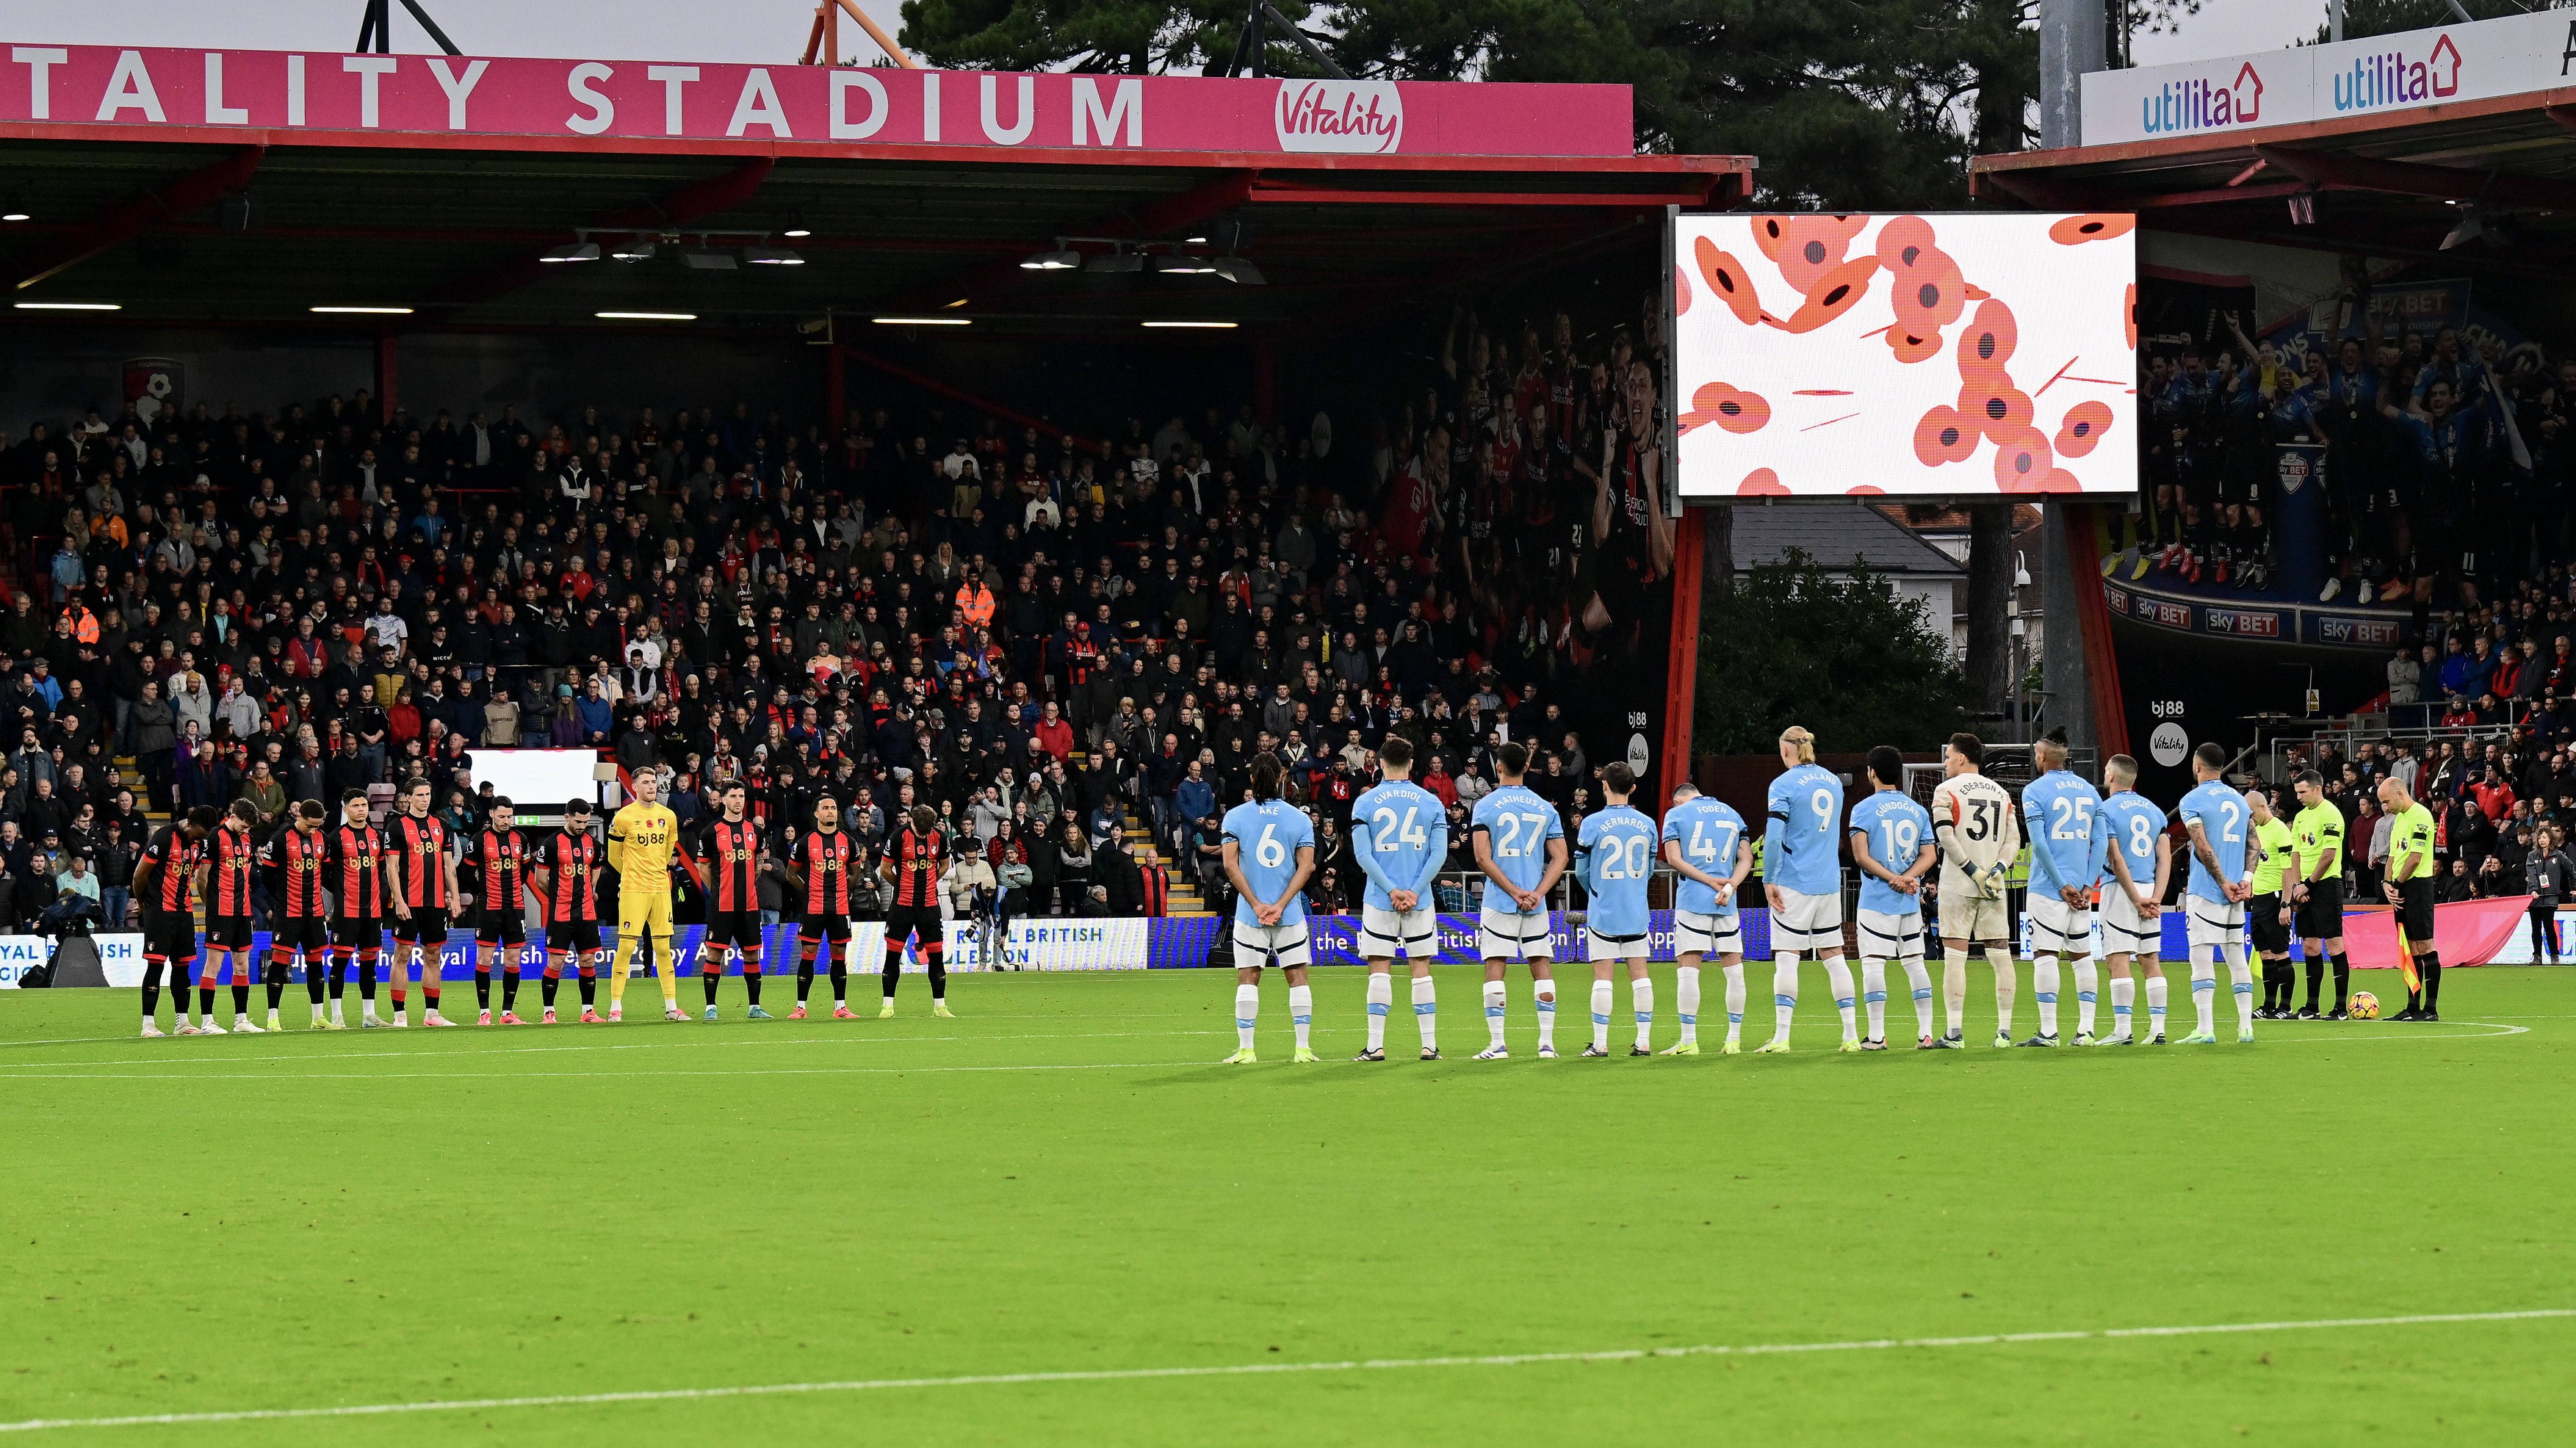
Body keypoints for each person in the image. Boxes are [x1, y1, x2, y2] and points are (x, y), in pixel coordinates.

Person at [1348, 734, 1446, 1062]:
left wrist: (1391, 890)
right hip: (1420, 899)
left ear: (1380, 764)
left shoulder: (1365, 802)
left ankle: (1375, 1045)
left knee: (1379, 967)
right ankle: (1429, 1045)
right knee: (1421, 969)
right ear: (1412, 765)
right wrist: (1414, 891)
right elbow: (1439, 854)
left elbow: (1363, 855)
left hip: (1380, 898)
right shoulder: (1431, 802)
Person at [1468, 740, 1566, 1060]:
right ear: (1526, 766)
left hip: (1500, 900)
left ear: (1498, 767)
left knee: (1496, 966)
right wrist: (1537, 893)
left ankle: (1497, 1045)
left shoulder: (1485, 806)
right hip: (1535, 902)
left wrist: (1512, 891)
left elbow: (1482, 858)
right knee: (1541, 965)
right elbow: (1560, 858)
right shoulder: (1545, 807)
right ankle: (1547, 1044)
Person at [1220, 753, 1318, 1065]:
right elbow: (1306, 868)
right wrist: (1279, 905)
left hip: (1251, 915)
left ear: (1252, 778)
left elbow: (1229, 865)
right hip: (1288, 915)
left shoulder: (1234, 817)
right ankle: (1302, 1049)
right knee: (1298, 978)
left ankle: (1246, 1050)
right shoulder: (1300, 819)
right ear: (1281, 777)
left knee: (1248, 978)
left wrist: (1257, 904)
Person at [1758, 725, 1850, 1053]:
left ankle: (1782, 1037)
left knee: (1787, 956)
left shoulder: (1782, 784)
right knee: (1834, 956)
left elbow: (1774, 836)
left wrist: (1769, 878)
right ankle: (1851, 1035)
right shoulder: (1833, 782)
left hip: (1794, 881)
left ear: (1786, 750)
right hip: (1828, 882)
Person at [1930, 731, 2021, 1049]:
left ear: (1961, 758)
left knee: (1955, 957)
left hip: (1959, 884)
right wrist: (1997, 871)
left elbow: (1945, 835)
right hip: (1994, 887)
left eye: (1947, 757)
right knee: (2001, 956)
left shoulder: (1945, 790)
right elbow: (2014, 840)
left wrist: (1972, 870)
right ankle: (2005, 1032)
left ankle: (1954, 1033)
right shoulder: (2002, 793)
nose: (1944, 764)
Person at [2019, 731, 2107, 1046]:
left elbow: (2039, 844)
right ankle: (2086, 1030)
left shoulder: (2033, 791)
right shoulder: (2090, 792)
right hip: (2082, 891)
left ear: (2042, 756)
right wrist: (2087, 885)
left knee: (2045, 954)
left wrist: (2061, 885)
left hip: (2049, 889)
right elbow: (2099, 843)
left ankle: (2048, 1032)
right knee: (2082, 956)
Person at [1849, 746, 1937, 1049]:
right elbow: (1930, 854)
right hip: (1909, 902)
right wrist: (1910, 878)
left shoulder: (1862, 809)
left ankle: (1876, 1036)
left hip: (1877, 900)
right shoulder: (1917, 810)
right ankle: (1926, 1034)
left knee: (1873, 964)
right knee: (1915, 964)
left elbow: (1861, 856)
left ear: (1871, 772)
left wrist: (1893, 879)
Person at [1659, 778, 1750, 1055]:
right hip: (1727, 902)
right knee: (1734, 971)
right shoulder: (1732, 813)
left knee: (1689, 969)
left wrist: (1710, 882)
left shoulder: (1675, 814)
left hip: (1693, 900)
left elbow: (1674, 860)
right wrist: (1730, 885)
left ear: (1678, 800)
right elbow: (1746, 858)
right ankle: (1734, 1040)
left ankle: (1689, 1041)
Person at [1574, 762, 1659, 1057]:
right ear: (1633, 788)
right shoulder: (1647, 824)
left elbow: (1581, 871)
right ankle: (1644, 1041)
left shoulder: (1592, 823)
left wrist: (1597, 893)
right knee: (1640, 974)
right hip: (1636, 908)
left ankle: (1600, 1043)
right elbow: (1649, 869)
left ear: (1604, 786)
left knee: (1603, 975)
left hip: (1604, 908)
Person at [2175, 743, 2255, 1045]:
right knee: (2237, 958)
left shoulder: (2192, 800)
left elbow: (2203, 846)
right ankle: (2245, 1028)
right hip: (2237, 892)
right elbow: (2253, 844)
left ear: (2197, 766)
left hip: (2208, 891)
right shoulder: (2240, 800)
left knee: (2201, 956)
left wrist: (2222, 881)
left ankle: (2205, 1028)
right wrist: (2245, 880)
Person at [2094, 756, 2171, 1045]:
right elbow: (2165, 858)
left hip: (2121, 891)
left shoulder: (2105, 810)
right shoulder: (2154, 811)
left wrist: (2137, 899)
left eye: (2105, 771)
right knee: (2150, 959)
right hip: (2151, 889)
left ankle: (2123, 1030)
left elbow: (2115, 859)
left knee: (2117, 958)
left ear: (2112, 776)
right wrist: (2156, 898)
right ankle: (2158, 1029)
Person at [605, 769, 684, 1023]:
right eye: (646, 782)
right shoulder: (623, 816)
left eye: (654, 782)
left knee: (663, 947)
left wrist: (654, 873)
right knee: (627, 946)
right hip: (634, 889)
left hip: (660, 889)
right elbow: (613, 857)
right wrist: (633, 874)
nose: (652, 786)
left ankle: (672, 1007)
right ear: (636, 787)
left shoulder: (668, 816)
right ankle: (615, 1006)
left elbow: (667, 852)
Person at [383, 777, 462, 1028]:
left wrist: (456, 897)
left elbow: (449, 866)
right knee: (402, 954)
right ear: (408, 798)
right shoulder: (397, 827)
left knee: (433, 955)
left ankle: (432, 1014)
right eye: (419, 795)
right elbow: (392, 868)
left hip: (436, 903)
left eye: (427, 794)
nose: (425, 799)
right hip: (409, 901)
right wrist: (399, 900)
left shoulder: (442, 825)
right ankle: (400, 1015)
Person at [133, 806, 216, 1038]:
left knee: (183, 967)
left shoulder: (199, 843)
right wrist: (143, 904)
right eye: (199, 834)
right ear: (189, 823)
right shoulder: (164, 836)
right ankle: (148, 1024)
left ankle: (183, 1022)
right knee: (156, 965)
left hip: (184, 910)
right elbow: (140, 874)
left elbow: (199, 875)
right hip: (159, 909)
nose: (200, 839)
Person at [690, 783, 771, 1021]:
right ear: (723, 799)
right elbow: (703, 867)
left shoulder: (755, 831)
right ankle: (710, 1007)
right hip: (722, 905)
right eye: (733, 796)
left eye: (741, 796)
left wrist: (747, 884)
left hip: (749, 905)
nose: (738, 800)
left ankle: (754, 1007)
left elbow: (757, 865)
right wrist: (717, 891)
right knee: (714, 955)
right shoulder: (711, 831)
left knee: (752, 955)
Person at [782, 794, 862, 1019]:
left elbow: (855, 870)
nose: (830, 811)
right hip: (814, 907)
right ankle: (801, 1007)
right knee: (809, 953)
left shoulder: (848, 842)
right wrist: (809, 892)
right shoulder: (805, 842)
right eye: (825, 808)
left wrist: (844, 890)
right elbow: (791, 874)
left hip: (840, 908)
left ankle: (841, 1008)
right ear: (817, 813)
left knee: (839, 954)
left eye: (834, 808)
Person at [260, 799, 334, 1030]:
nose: (313, 830)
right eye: (309, 825)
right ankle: (273, 1018)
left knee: (316, 963)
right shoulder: (281, 838)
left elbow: (328, 871)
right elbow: (267, 876)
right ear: (299, 816)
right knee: (280, 963)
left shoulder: (322, 839)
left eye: (317, 826)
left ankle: (318, 1017)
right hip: (289, 912)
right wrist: (282, 899)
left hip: (315, 913)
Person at [532, 798, 606, 1024]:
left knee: (588, 960)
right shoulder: (552, 843)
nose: (582, 825)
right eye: (578, 820)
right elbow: (540, 880)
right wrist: (557, 897)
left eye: (586, 821)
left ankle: (588, 1012)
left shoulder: (594, 844)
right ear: (567, 817)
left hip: (586, 913)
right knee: (556, 962)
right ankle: (548, 1011)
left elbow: (595, 869)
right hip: (561, 912)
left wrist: (590, 890)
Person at [878, 803, 955, 1018]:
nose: (926, 833)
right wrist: (903, 886)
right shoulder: (898, 837)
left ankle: (940, 1006)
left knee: (936, 956)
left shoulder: (940, 837)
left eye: (928, 830)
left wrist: (929, 884)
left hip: (929, 905)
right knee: (893, 956)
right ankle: (888, 1006)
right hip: (902, 905)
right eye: (922, 830)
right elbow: (885, 869)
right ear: (912, 821)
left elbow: (944, 864)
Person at [2287, 768, 2353, 1018]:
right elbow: (2295, 854)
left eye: (2303, 792)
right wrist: (2296, 886)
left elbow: (2329, 855)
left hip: (2325, 886)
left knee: (2334, 943)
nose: (2299, 797)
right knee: (2310, 947)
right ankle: (2312, 1006)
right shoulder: (2301, 817)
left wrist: (2309, 885)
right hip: (2303, 887)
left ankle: (2340, 1008)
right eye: (2297, 793)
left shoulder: (2331, 815)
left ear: (2317, 789)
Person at [2378, 774, 2443, 1021]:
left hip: (2418, 886)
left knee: (2425, 944)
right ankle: (2412, 1007)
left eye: (2386, 802)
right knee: (2410, 947)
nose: (2385, 807)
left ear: (2400, 794)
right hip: (2400, 887)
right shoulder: (2399, 820)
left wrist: (2396, 883)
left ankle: (2431, 1009)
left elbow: (2415, 858)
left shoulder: (2422, 816)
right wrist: (2387, 884)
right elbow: (2394, 857)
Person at [197, 800, 264, 1035]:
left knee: (242, 966)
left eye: (249, 829)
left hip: (243, 911)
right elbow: (202, 876)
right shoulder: (214, 837)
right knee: (214, 964)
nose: (246, 831)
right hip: (220, 910)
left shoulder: (247, 839)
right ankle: (207, 1021)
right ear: (233, 816)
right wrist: (210, 904)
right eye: (244, 826)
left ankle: (241, 1020)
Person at [328, 789, 391, 1027]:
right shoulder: (336, 837)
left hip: (372, 910)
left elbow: (382, 869)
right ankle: (337, 1016)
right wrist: (341, 892)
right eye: (355, 805)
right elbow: (326, 873)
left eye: (364, 804)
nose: (361, 809)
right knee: (340, 962)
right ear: (346, 809)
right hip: (347, 910)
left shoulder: (376, 835)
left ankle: (369, 1016)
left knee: (369, 962)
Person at [472, 798, 533, 1026]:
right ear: (492, 814)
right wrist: (483, 892)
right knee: (485, 959)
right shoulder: (480, 840)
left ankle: (507, 1013)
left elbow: (525, 871)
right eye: (502, 817)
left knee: (513, 958)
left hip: (515, 907)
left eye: (509, 817)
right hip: (489, 908)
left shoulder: (521, 839)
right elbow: (468, 872)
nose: (506, 821)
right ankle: (484, 1012)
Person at [2245, 789, 2298, 1020]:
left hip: (2277, 897)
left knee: (2280, 953)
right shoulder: (2254, 830)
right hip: (2259, 899)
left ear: (2263, 807)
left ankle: (2285, 1007)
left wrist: (2286, 904)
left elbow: (2288, 872)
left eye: (2250, 813)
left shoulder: (2280, 831)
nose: (2249, 818)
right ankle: (2268, 1006)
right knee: (2265, 953)